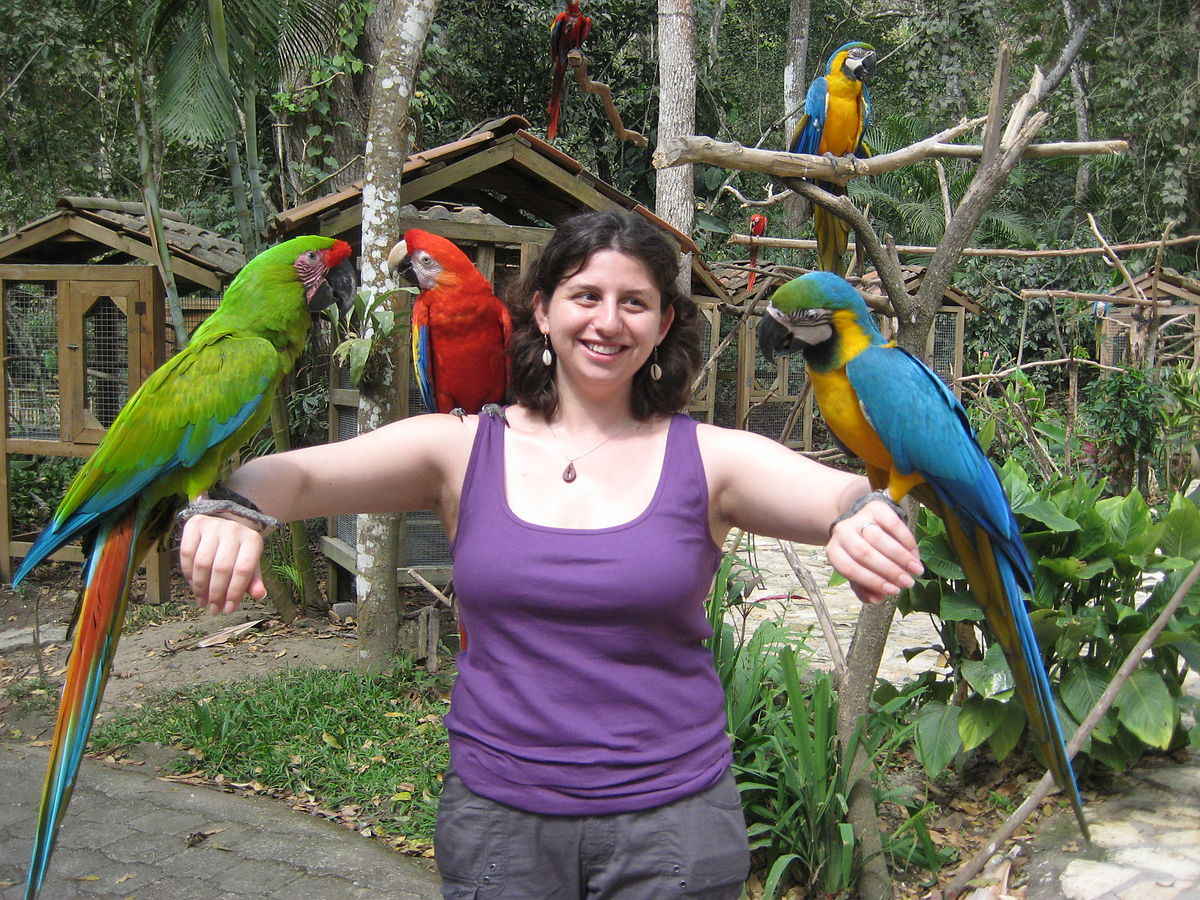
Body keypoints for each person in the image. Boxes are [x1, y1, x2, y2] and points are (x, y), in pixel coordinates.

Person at [179, 210, 924, 899]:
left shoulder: (711, 457)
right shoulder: (461, 446)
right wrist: (236, 505)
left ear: (664, 324)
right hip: (501, 826)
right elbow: (301, 473)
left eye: (634, 302)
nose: (608, 321)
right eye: (585, 295)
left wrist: (860, 515)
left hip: (673, 830)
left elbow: (836, 494)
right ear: (542, 310)